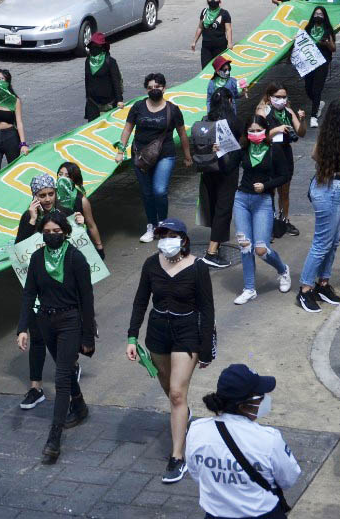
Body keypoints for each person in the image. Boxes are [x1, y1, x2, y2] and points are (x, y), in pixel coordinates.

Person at [127, 218, 216, 484]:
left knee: (177, 393)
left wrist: (206, 348)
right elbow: (140, 301)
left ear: (184, 239)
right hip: (157, 334)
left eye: (171, 234)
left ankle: (178, 456)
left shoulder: (198, 268)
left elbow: (207, 308)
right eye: (162, 234)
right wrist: (132, 337)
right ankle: (183, 414)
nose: (166, 239)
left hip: (187, 332)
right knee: (169, 390)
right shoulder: (151, 265)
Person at [16, 212, 96, 464]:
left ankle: (54, 438)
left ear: (65, 232)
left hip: (70, 321)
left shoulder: (76, 259)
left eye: (56, 232)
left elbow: (87, 300)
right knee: (64, 370)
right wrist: (22, 328)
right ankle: (80, 406)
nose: (52, 236)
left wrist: (88, 334)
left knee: (61, 377)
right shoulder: (38, 259)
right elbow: (29, 294)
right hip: (45, 322)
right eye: (47, 232)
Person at [186, 364, 300, 519]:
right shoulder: (268, 439)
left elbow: (197, 474)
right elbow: (288, 478)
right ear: (244, 406)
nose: (264, 400)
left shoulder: (196, 430)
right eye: (260, 397)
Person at [118, 73, 193, 242]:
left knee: (159, 191)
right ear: (146, 90)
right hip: (140, 156)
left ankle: (163, 225)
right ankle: (151, 225)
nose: (154, 90)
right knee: (146, 192)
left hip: (165, 155)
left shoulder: (172, 110)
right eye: (150, 88)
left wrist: (188, 156)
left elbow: (182, 134)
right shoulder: (138, 107)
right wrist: (120, 150)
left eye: (157, 87)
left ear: (164, 88)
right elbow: (127, 129)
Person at [296, 101, 340, 313]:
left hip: (329, 189)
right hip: (327, 191)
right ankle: (305, 289)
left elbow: (314, 155)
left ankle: (322, 284)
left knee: (334, 240)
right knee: (322, 243)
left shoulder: (329, 133)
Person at [231, 114, 292, 305]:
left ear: (265, 131)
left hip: (263, 201)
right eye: (251, 131)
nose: (255, 134)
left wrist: (266, 186)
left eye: (258, 130)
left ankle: (283, 270)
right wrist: (218, 152)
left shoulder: (274, 149)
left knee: (261, 248)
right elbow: (228, 166)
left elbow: (285, 175)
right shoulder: (243, 148)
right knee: (245, 245)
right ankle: (249, 288)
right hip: (241, 199)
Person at [198, 86, 242, 269]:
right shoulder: (233, 122)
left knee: (213, 206)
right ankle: (212, 252)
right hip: (227, 171)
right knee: (224, 209)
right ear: (230, 101)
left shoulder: (206, 120)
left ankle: (216, 242)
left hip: (209, 169)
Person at [255, 83, 306, 238]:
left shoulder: (289, 112)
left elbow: (301, 133)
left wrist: (302, 120)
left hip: (284, 153)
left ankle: (284, 220)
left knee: (285, 191)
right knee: (268, 190)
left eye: (284, 97)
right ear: (270, 97)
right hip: (268, 154)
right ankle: (267, 223)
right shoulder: (262, 112)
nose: (281, 100)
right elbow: (257, 136)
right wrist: (276, 130)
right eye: (278, 97)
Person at [57, 161, 104, 256]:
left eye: (67, 176)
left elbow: (91, 225)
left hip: (76, 244)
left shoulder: (82, 200)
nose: (62, 178)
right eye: (60, 174)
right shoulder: (51, 196)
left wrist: (99, 247)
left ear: (74, 179)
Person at [300, 5, 336, 127]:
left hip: (322, 62)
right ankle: (318, 103)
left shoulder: (328, 30)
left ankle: (314, 116)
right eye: (316, 14)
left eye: (320, 14)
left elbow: (333, 48)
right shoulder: (308, 28)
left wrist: (327, 43)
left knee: (317, 89)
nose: (318, 16)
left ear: (324, 17)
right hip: (309, 62)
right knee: (308, 88)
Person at [83, 31, 124, 120]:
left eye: (96, 46)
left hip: (109, 103)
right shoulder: (88, 61)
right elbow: (87, 80)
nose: (93, 48)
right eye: (92, 46)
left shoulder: (110, 62)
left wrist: (119, 100)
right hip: (92, 103)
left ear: (102, 47)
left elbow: (116, 81)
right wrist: (87, 98)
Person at [193, 0, 234, 70]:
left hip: (220, 46)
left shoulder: (224, 13)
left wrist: (229, 43)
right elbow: (200, 27)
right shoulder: (204, 12)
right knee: (205, 69)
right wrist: (194, 41)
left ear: (219, 2)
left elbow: (228, 29)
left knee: (219, 68)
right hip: (206, 46)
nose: (212, 0)